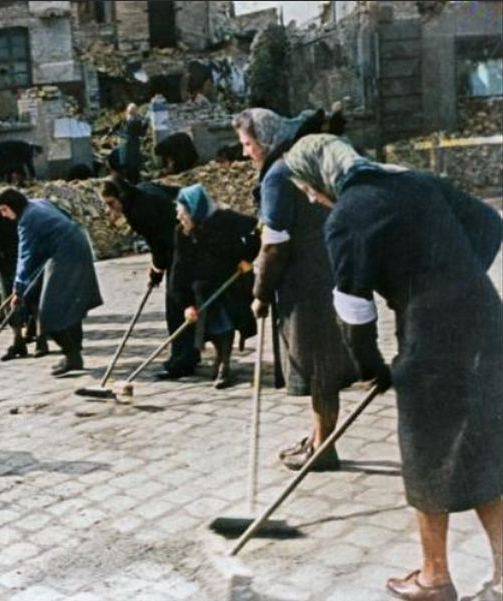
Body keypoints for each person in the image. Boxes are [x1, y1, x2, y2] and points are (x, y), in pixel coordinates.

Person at [285, 134, 503, 601]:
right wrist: (458, 275)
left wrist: (372, 365)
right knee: (483, 447)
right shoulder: (418, 183)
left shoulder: (347, 217)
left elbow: (352, 307)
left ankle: (434, 578)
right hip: (487, 323)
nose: (308, 195)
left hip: (433, 341)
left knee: (426, 455)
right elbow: (488, 223)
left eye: (305, 185)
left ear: (321, 176)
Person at [233, 107, 357, 471]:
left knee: (317, 367)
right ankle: (318, 439)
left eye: (247, 143)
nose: (245, 152)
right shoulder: (301, 160)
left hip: (306, 283)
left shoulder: (277, 174)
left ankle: (323, 449)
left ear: (264, 140)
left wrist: (258, 292)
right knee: (323, 365)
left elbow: (274, 246)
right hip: (332, 272)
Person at [0, 188, 103, 376]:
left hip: (65, 254)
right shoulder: (39, 203)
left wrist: (18, 290)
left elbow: (25, 256)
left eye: (4, 209)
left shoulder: (26, 221)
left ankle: (72, 356)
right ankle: (74, 349)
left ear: (12, 205)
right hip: (78, 243)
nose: (4, 215)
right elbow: (65, 216)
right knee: (70, 303)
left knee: (49, 311)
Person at [100, 176, 201, 379]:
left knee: (176, 302)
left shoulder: (138, 211)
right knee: (183, 300)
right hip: (183, 239)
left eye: (111, 203)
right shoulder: (142, 190)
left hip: (183, 245)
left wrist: (156, 269)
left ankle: (182, 361)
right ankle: (188, 354)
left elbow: (158, 244)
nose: (109, 210)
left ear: (122, 196)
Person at [171, 184, 259, 388]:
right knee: (210, 328)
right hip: (201, 289)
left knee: (224, 324)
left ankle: (224, 365)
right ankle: (220, 358)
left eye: (182, 213)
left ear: (194, 210)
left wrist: (248, 257)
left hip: (230, 283)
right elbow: (179, 269)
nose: (179, 218)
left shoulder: (225, 219)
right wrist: (185, 304)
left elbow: (256, 228)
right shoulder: (181, 233)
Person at [0, 190, 47, 359]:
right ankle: (18, 342)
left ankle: (41, 340)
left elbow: (25, 241)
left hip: (25, 263)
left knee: (33, 302)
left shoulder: (9, 220)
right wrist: (2, 271)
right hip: (5, 269)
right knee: (10, 307)